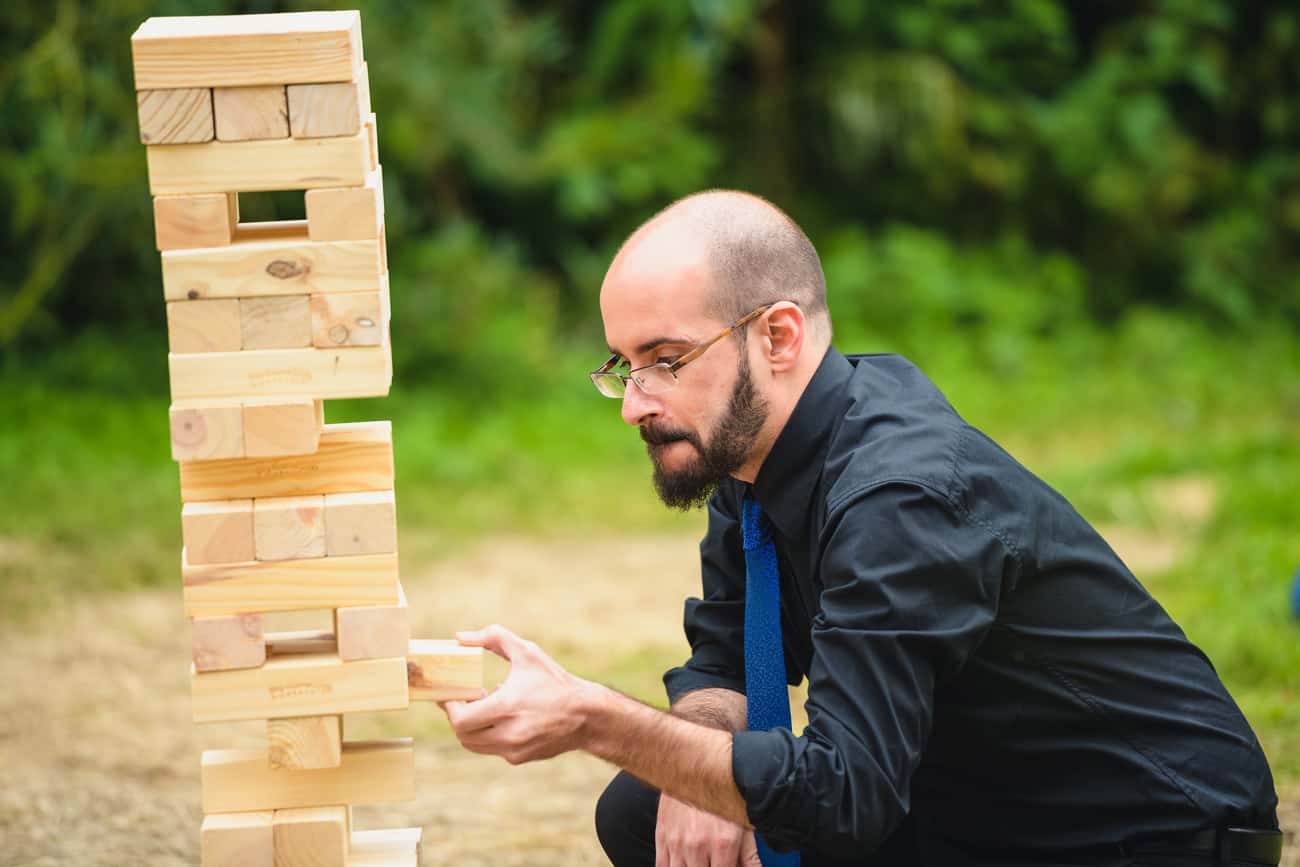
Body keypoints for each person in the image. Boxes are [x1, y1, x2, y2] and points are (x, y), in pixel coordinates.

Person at [440, 190, 1282, 866]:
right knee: (651, 803)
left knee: (716, 787)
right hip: (968, 802)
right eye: (623, 365)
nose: (634, 402)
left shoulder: (900, 496)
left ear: (777, 335)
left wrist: (596, 717)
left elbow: (843, 798)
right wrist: (696, 759)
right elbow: (727, 656)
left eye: (666, 360)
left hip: (1135, 834)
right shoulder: (749, 453)